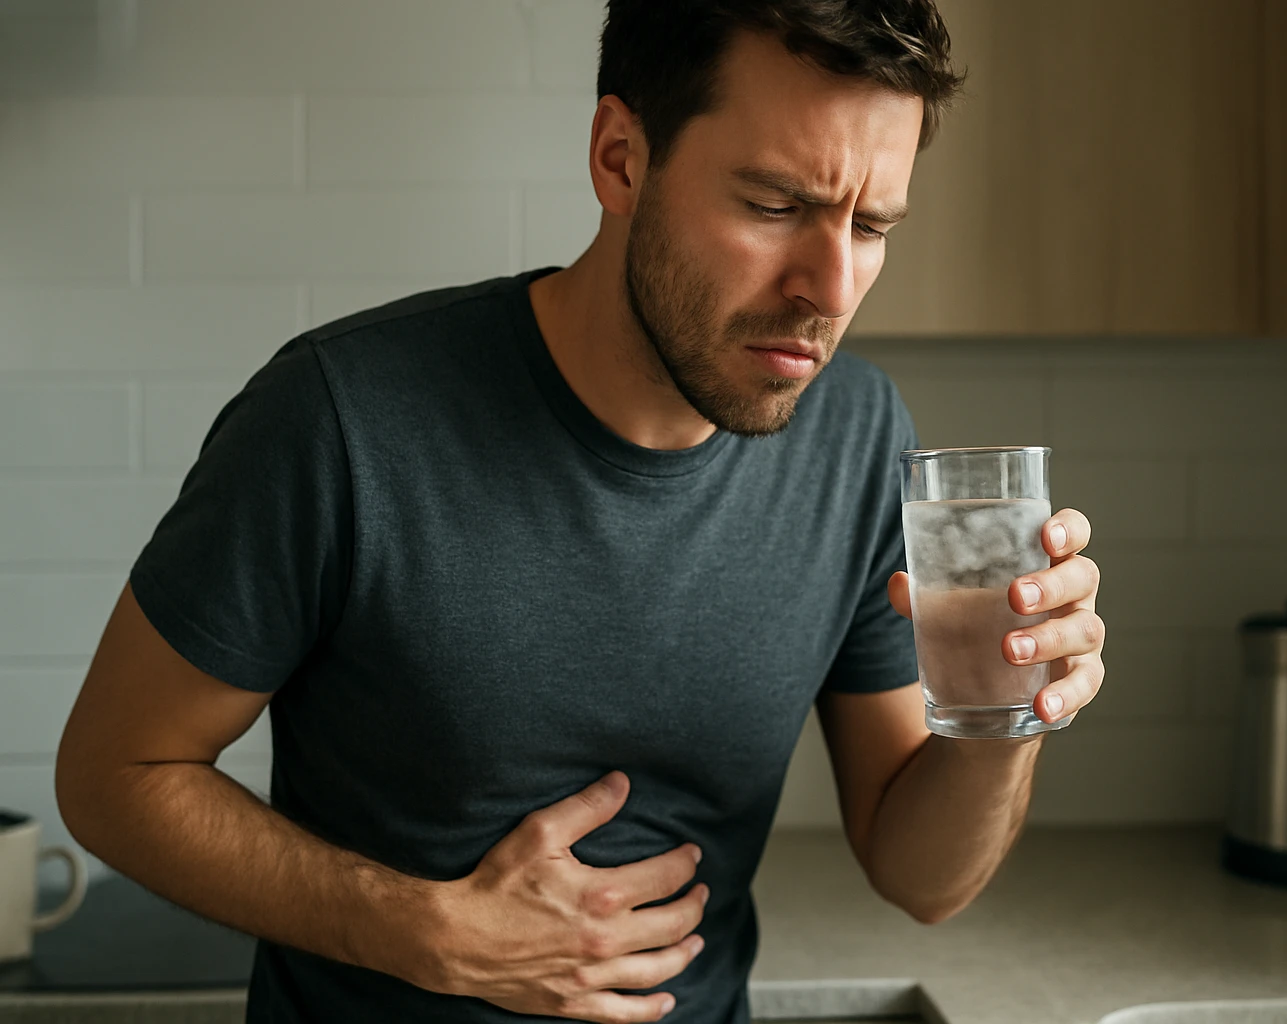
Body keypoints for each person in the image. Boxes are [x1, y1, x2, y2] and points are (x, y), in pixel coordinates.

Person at [55, 2, 1107, 1022]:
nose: (830, 284)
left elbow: (922, 878)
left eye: (872, 224)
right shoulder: (341, 418)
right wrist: (424, 929)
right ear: (620, 158)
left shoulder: (861, 438)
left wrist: (1007, 715)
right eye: (775, 205)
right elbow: (115, 775)